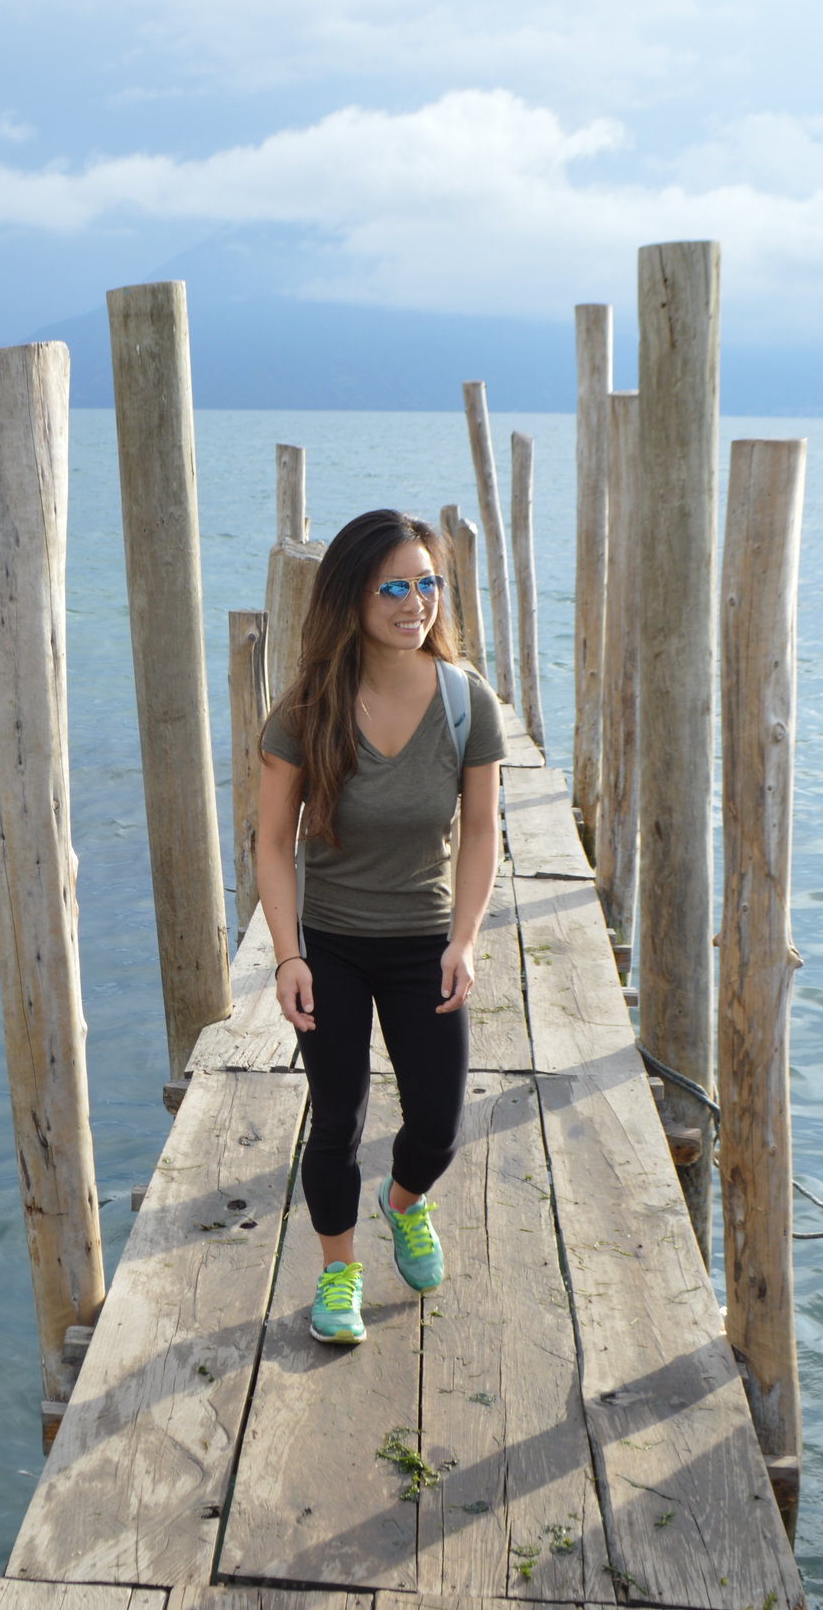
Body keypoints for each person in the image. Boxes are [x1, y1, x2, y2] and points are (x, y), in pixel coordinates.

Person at [254, 508, 503, 1345]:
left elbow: (479, 832)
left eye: (427, 582)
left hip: (424, 939)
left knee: (437, 1121)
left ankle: (404, 1203)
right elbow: (271, 845)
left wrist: (464, 939)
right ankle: (337, 1273)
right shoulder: (307, 710)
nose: (415, 602)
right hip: (329, 944)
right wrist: (287, 954)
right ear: (351, 599)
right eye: (392, 586)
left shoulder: (468, 704)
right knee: (339, 1117)